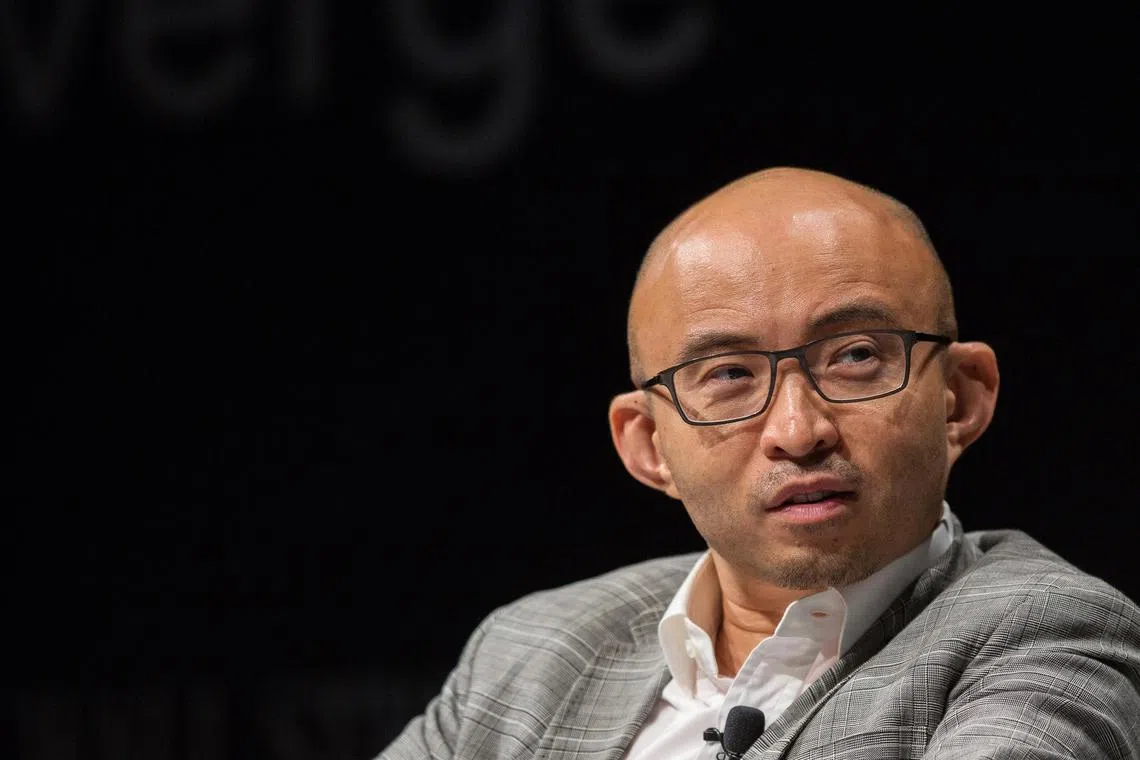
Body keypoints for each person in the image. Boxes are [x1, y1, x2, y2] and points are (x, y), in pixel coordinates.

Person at [377, 167, 1140, 759]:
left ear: (961, 399)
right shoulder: (536, 647)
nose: (799, 430)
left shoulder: (1048, 636)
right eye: (730, 375)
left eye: (856, 357)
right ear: (648, 445)